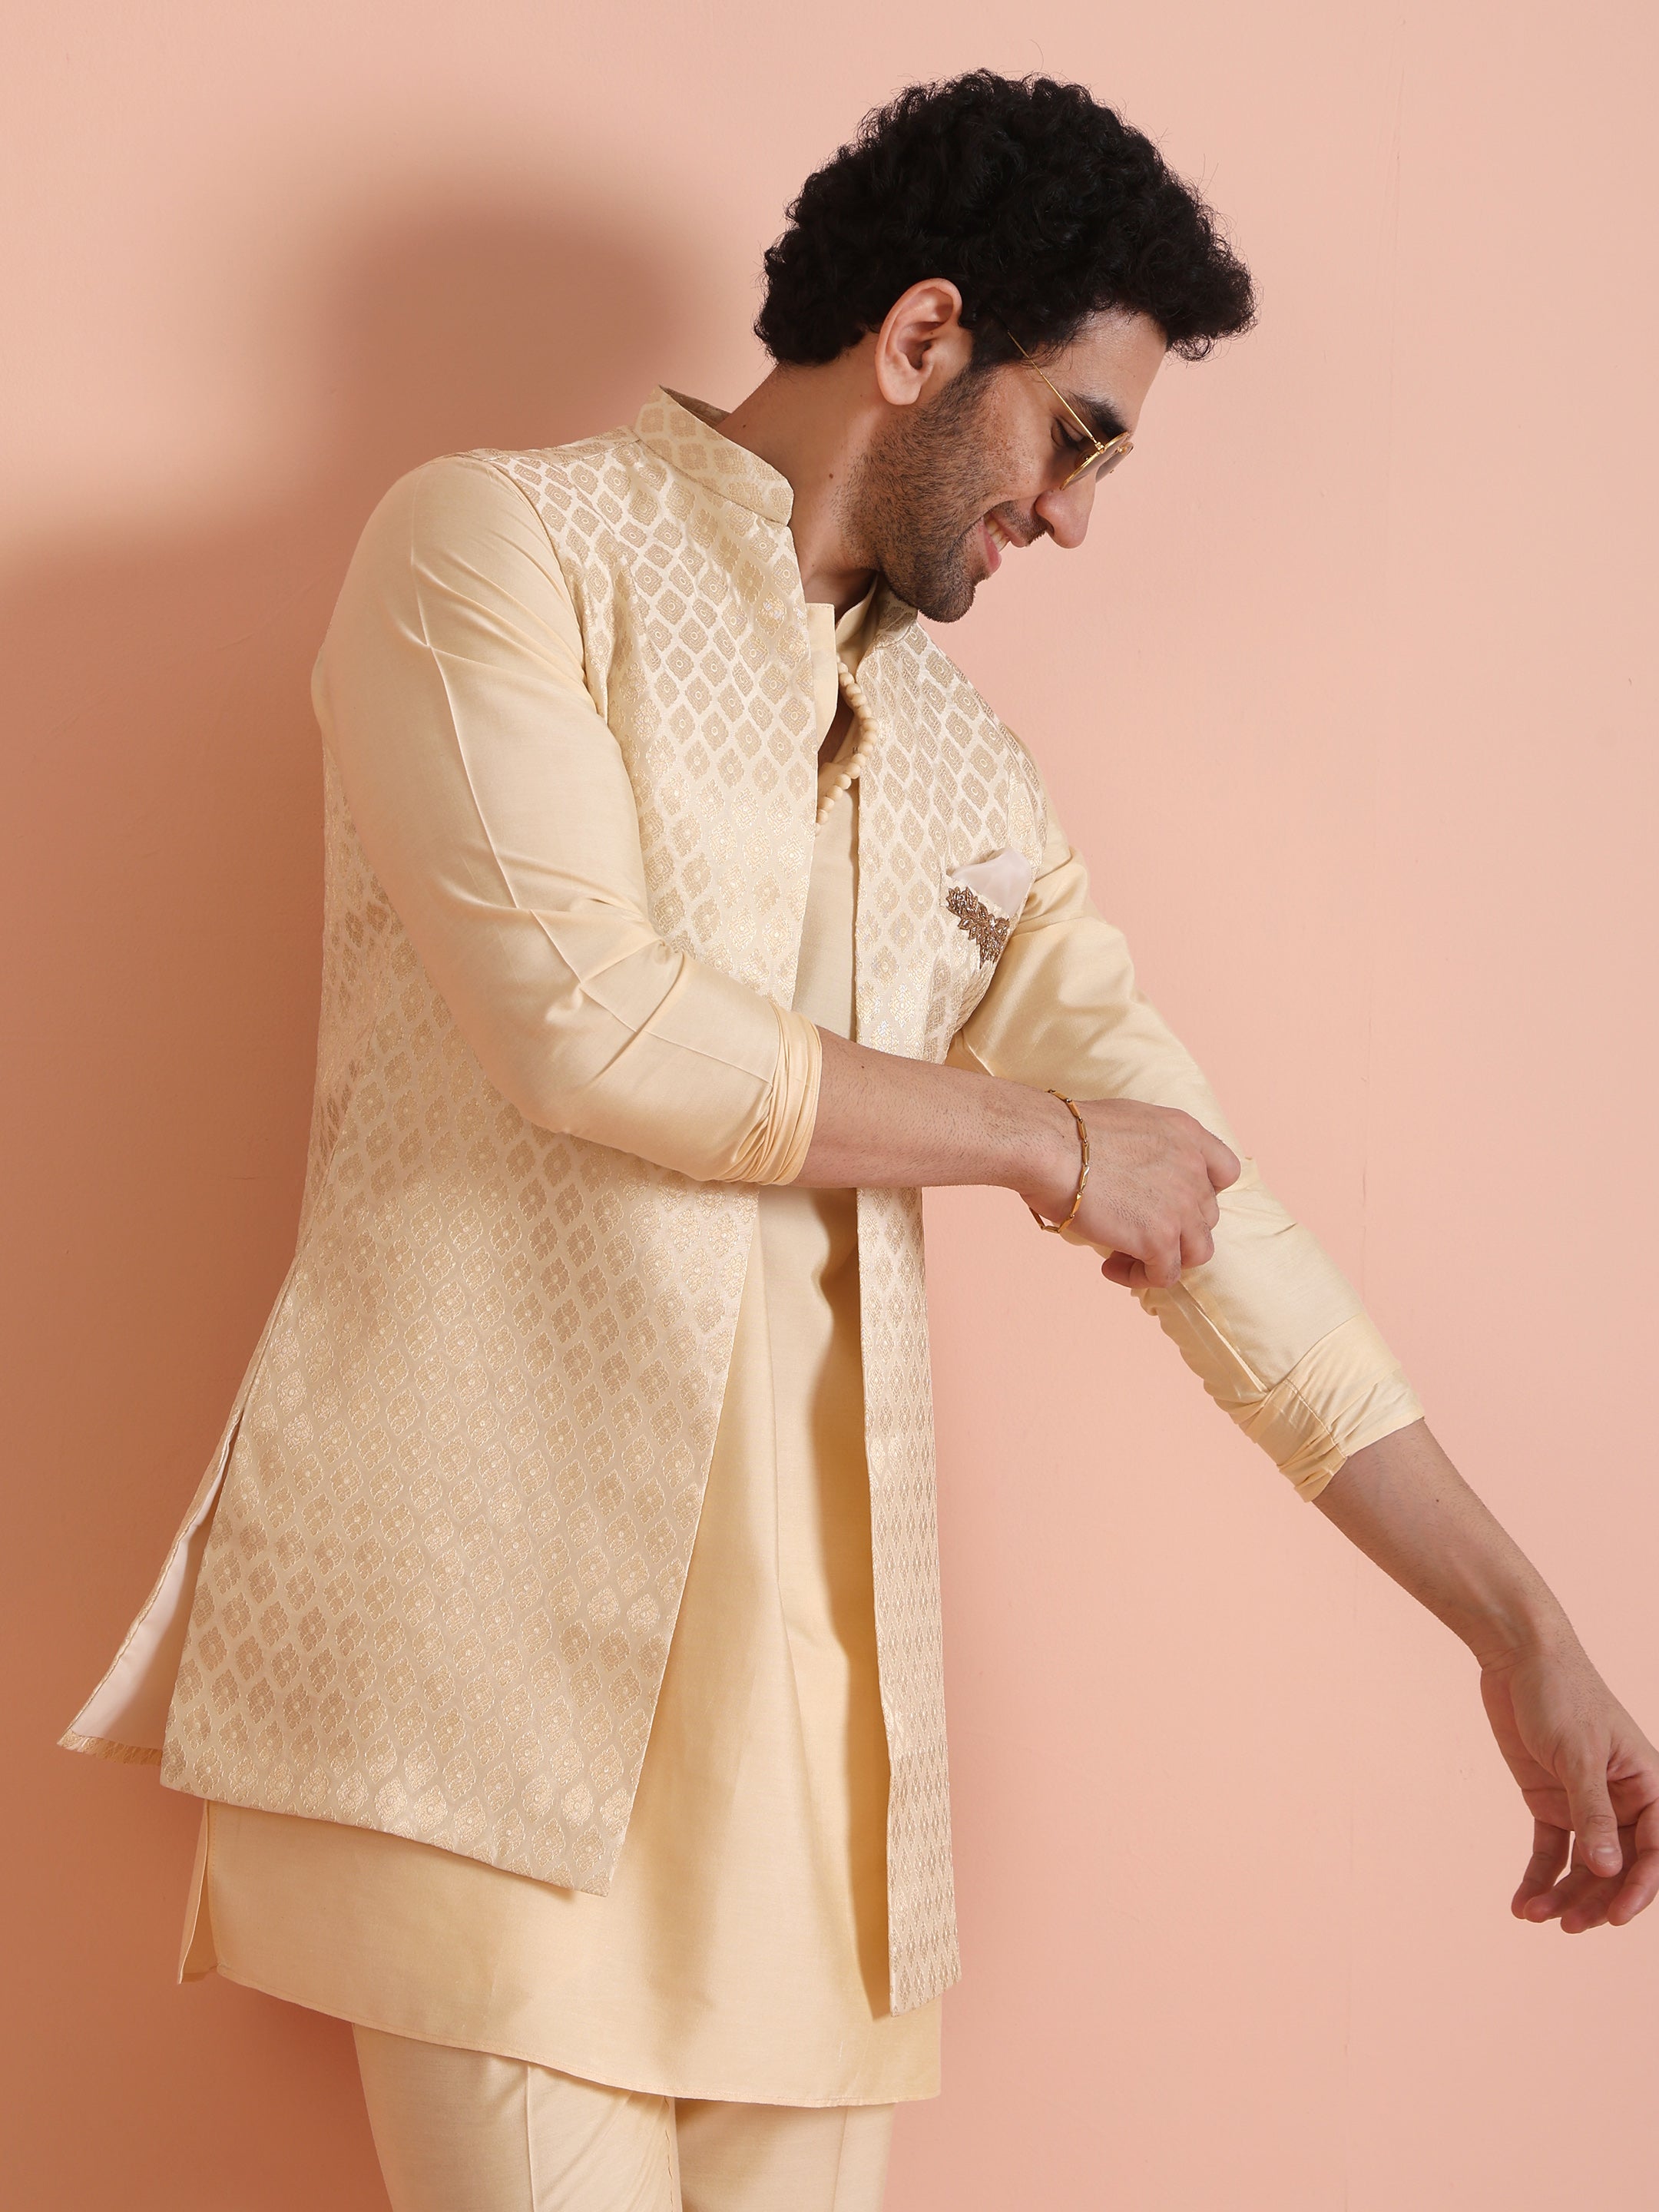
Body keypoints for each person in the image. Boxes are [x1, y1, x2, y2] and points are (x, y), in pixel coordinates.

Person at [62, 69, 1658, 2212]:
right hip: (480, 1714)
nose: (1074, 519)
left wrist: (1518, 1624)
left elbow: (1207, 1201)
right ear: (922, 340)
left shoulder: (966, 770)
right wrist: (1043, 1142)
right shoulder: (499, 550)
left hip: (819, 1777)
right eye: (1076, 437)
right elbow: (589, 1027)